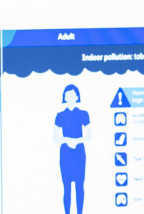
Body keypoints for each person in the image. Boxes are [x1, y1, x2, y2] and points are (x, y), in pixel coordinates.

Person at [54, 84, 90, 214]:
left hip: (79, 154)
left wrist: (76, 141)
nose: (70, 97)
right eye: (67, 95)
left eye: (72, 95)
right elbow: (55, 138)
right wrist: (67, 140)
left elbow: (89, 135)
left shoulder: (83, 114)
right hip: (66, 154)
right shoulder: (60, 115)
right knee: (67, 188)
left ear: (76, 97)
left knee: (80, 187)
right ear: (64, 97)